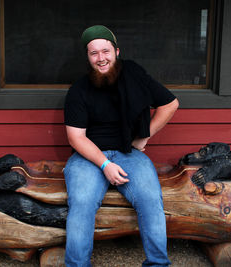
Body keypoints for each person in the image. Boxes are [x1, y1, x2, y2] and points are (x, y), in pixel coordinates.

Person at [63, 25, 179, 267]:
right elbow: (76, 138)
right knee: (82, 201)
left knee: (150, 197)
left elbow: (170, 104)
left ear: (116, 51)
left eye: (105, 51)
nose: (101, 58)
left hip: (128, 152)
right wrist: (105, 164)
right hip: (88, 155)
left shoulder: (134, 77)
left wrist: (145, 136)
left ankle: (158, 264)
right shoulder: (79, 91)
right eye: (94, 53)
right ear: (88, 57)